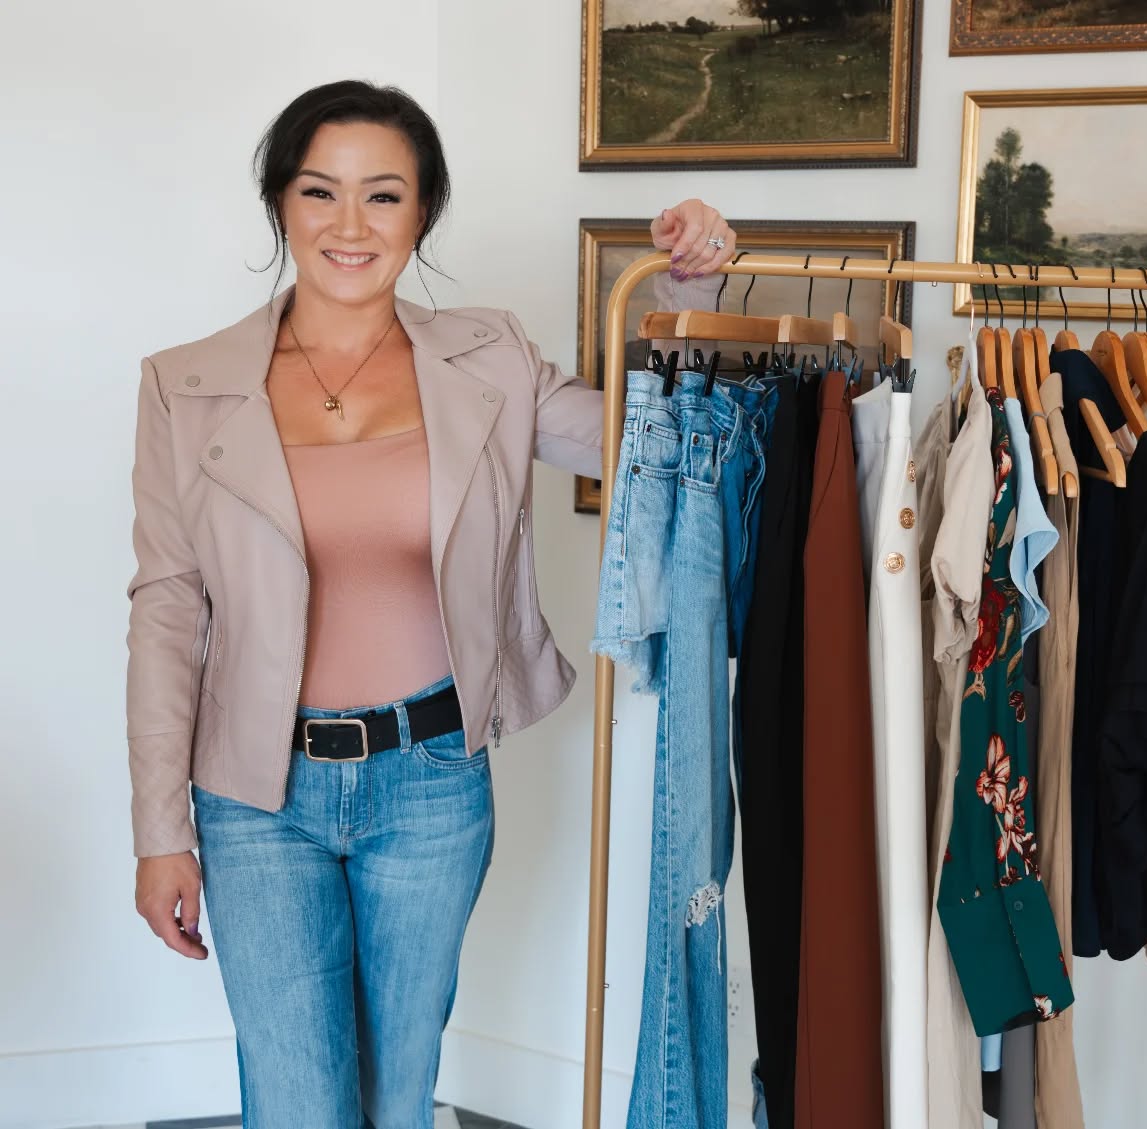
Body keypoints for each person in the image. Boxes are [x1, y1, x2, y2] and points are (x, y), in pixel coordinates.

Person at [124, 78, 733, 1128]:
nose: (350, 225)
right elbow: (167, 609)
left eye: (384, 195)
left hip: (433, 780)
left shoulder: (488, 357)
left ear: (422, 213)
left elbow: (640, 445)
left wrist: (696, 287)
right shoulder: (186, 385)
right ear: (280, 203)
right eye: (320, 191)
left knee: (397, 1093)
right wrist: (157, 830)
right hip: (255, 795)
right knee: (298, 1101)